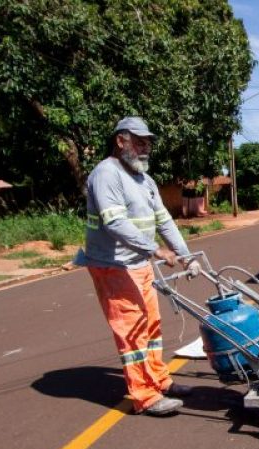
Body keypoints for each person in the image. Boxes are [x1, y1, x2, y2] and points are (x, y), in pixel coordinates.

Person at [75, 116, 203, 417]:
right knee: (132, 330)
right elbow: (115, 222)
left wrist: (186, 256)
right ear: (121, 141)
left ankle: (158, 380)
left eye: (148, 143)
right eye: (140, 141)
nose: (146, 147)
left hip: (138, 263)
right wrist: (155, 249)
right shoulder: (107, 174)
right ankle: (143, 396)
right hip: (113, 264)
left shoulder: (145, 179)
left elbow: (164, 220)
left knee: (152, 325)